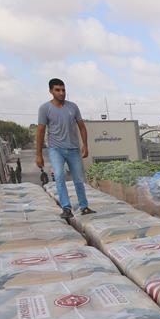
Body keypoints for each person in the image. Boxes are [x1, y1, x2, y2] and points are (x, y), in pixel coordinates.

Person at [35, 78, 95, 220]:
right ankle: (66, 208)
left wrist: (85, 145)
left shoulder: (73, 107)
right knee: (60, 176)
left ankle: (84, 206)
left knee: (79, 178)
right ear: (51, 91)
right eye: (57, 90)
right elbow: (40, 131)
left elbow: (81, 126)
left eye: (63, 90)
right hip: (56, 149)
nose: (61, 93)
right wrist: (39, 154)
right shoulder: (45, 109)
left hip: (74, 149)